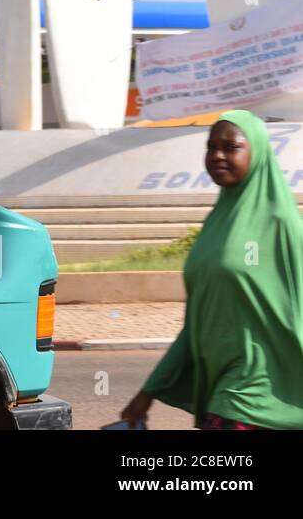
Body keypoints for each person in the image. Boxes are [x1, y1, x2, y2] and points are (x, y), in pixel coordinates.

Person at [120, 110, 303, 430]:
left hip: (255, 394)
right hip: (218, 387)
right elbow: (196, 323)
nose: (217, 155)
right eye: (211, 146)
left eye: (231, 147)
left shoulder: (282, 225)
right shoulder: (216, 225)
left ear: (256, 153)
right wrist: (149, 391)